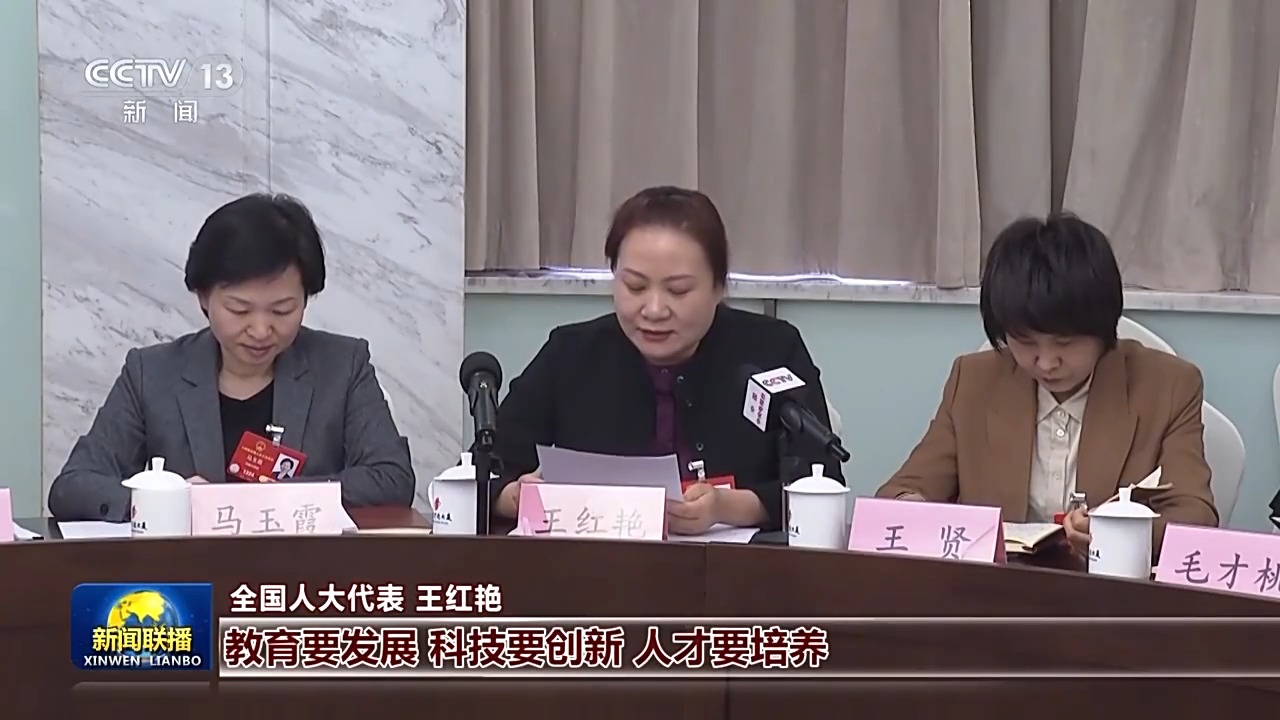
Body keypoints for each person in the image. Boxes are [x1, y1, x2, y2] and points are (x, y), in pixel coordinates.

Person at [490, 185, 844, 534]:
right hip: (598, 560)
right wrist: (515, 498)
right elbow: (489, 469)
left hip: (735, 564)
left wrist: (728, 507)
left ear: (718, 286)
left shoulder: (771, 350)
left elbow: (822, 481)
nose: (654, 310)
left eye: (678, 290)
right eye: (635, 287)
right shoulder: (570, 353)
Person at [49, 193, 414, 521]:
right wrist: (165, 501)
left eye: (282, 310)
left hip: (305, 568)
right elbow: (73, 487)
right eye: (240, 310)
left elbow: (392, 478)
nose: (261, 330)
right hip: (190, 569)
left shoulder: (343, 366)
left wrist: (272, 497)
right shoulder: (152, 374)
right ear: (203, 297)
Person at [876, 213, 1217, 557]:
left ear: (1102, 328)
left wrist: (1119, 531)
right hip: (995, 585)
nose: (1046, 363)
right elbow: (906, 488)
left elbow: (1195, 516)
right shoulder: (973, 381)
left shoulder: (1168, 386)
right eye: (1025, 342)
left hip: (1105, 585)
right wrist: (913, 508)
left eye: (1065, 343)